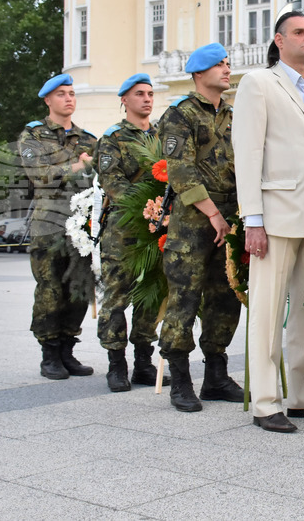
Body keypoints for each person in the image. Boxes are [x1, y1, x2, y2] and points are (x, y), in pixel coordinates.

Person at [233, 11, 304, 433]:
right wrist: (253, 220)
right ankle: (265, 403)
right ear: (279, 40)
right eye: (300, 32)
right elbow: (248, 154)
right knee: (266, 309)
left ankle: (302, 396)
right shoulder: (259, 83)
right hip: (275, 216)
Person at [157, 43, 245, 412]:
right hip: (194, 221)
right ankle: (179, 380)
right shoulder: (180, 115)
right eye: (218, 65)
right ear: (198, 74)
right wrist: (213, 214)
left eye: (227, 64)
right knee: (185, 298)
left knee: (226, 296)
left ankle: (216, 376)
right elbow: (181, 171)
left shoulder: (234, 113)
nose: (226, 70)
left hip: (231, 216)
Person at [18, 74, 98, 380]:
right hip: (48, 225)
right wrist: (76, 166)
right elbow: (39, 175)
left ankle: (68, 349)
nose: (69, 98)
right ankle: (49, 353)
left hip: (82, 226)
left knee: (79, 289)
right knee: (50, 289)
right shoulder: (33, 136)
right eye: (62, 94)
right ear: (48, 100)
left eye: (72, 93)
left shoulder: (88, 140)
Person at [96, 73, 166, 392]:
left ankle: (143, 361)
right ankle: (116, 363)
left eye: (150, 93)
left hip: (156, 226)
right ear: (124, 100)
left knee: (152, 293)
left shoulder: (163, 137)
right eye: (140, 93)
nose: (147, 99)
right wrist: (145, 206)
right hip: (122, 228)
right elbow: (113, 181)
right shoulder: (113, 138)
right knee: (116, 295)